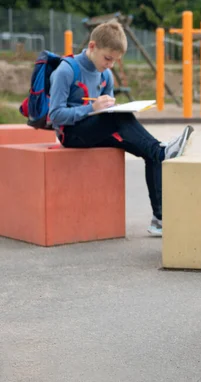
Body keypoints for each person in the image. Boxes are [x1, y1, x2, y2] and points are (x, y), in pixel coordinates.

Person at [48, 21, 192, 237]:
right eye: (108, 58)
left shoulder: (105, 74)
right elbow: (55, 115)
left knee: (149, 152)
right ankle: (162, 149)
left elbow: (106, 113)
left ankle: (159, 219)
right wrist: (91, 108)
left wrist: (108, 107)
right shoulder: (66, 71)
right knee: (120, 120)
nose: (110, 66)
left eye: (115, 61)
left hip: (98, 129)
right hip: (71, 134)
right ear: (93, 46)